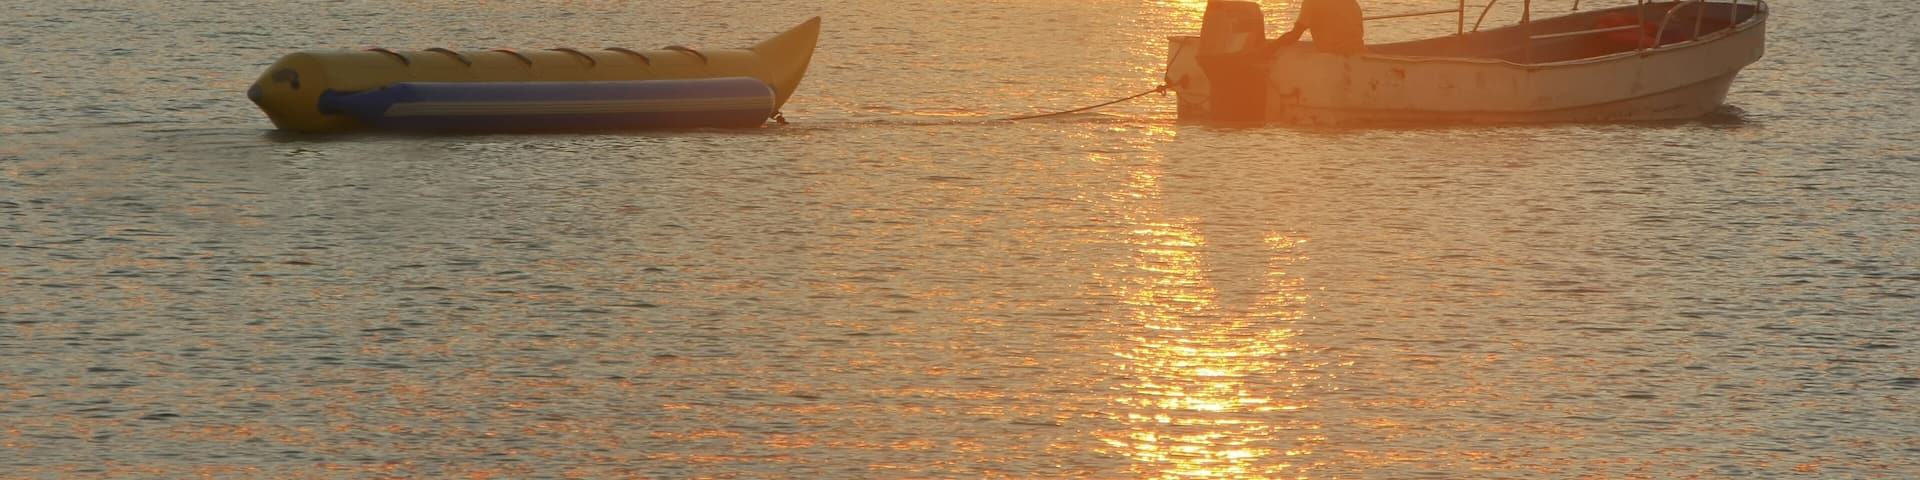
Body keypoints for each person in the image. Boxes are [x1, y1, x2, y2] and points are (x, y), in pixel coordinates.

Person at [1266, 0, 1368, 55]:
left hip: (1336, 57)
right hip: (1359, 52)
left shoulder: (1312, 2)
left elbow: (1295, 35)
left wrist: (1269, 48)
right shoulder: (1350, 2)